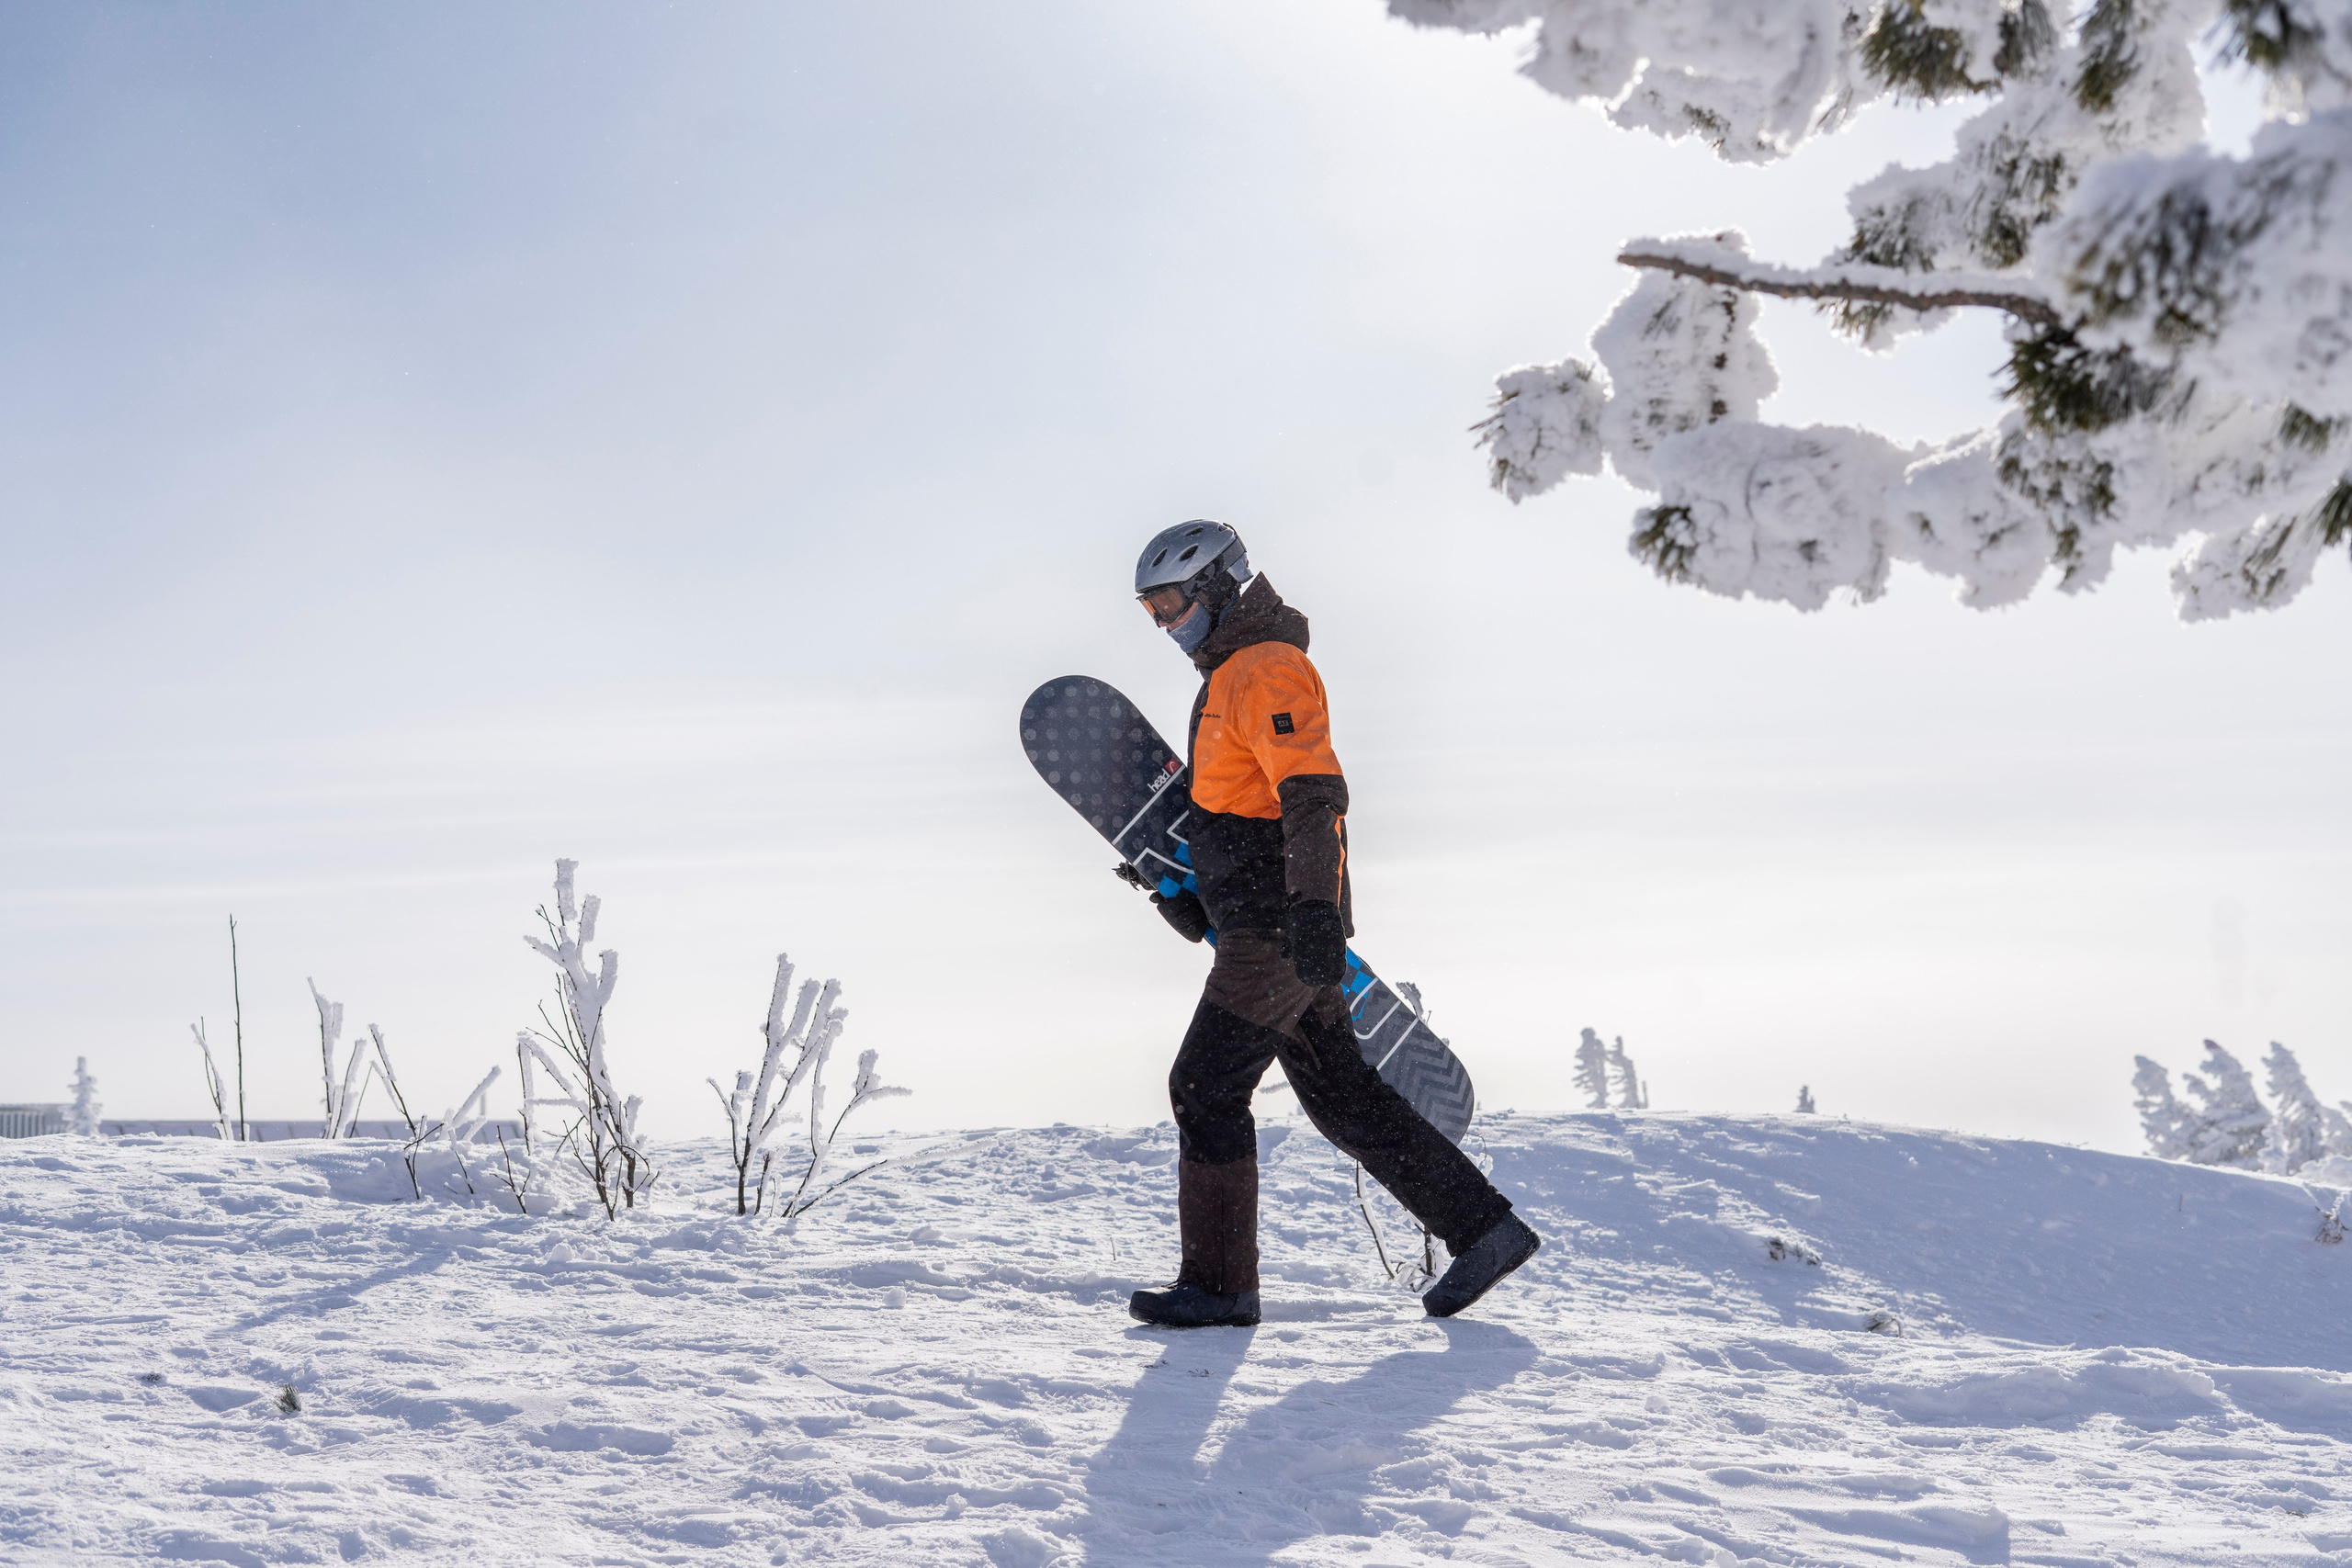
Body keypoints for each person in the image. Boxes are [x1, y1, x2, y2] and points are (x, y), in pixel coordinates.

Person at [1125, 520, 1541, 1329]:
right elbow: (1235, 818)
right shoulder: (1229, 675)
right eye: (1151, 610)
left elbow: (1312, 796)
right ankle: (1485, 1229)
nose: (1165, 623)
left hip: (1278, 926)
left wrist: (1315, 909)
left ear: (1218, 584)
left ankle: (1219, 1287)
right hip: (1256, 916)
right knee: (1342, 1097)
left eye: (1171, 602)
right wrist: (1191, 902)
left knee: (1205, 1086)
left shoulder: (1267, 669)